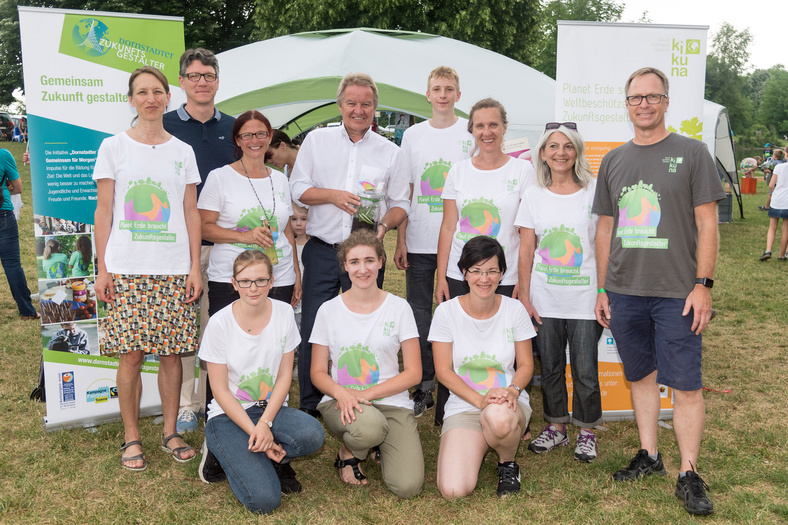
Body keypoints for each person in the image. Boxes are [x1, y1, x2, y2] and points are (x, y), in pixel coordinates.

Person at [593, 67, 725, 516]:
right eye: (635, 98)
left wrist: (703, 285)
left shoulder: (692, 153)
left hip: (678, 292)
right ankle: (650, 456)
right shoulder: (613, 160)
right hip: (626, 290)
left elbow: (708, 222)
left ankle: (689, 473)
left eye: (652, 97)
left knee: (686, 384)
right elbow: (606, 228)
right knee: (640, 376)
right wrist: (604, 287)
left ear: (666, 102)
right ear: (626, 104)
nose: (644, 104)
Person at [93, 65, 202, 472]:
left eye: (157, 91)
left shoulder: (183, 151)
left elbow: (191, 212)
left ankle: (170, 431)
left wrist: (194, 267)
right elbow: (104, 210)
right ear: (131, 99)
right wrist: (103, 268)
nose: (151, 99)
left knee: (172, 356)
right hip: (127, 269)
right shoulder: (113, 147)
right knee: (132, 357)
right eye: (142, 92)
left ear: (168, 97)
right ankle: (132, 437)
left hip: (174, 269)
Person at [289, 72, 410, 417]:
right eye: (352, 103)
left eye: (366, 104)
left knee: (366, 328)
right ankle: (311, 407)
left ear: (376, 108)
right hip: (324, 250)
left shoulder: (391, 152)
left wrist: (385, 225)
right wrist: (333, 196)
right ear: (340, 105)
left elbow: (402, 202)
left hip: (365, 257)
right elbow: (297, 188)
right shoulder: (316, 141)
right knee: (314, 328)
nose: (359, 110)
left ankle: (366, 397)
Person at [433, 97, 535, 425]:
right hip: (463, 274)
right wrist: (441, 276)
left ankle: (509, 410)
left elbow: (527, 231)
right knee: (459, 345)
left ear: (504, 128)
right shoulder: (458, 171)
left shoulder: (523, 171)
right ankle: (455, 413)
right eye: (480, 125)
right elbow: (449, 226)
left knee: (503, 349)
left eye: (493, 125)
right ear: (471, 130)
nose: (487, 132)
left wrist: (523, 279)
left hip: (502, 277)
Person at [199, 250, 324, 514]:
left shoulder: (284, 313)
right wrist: (256, 429)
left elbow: (282, 378)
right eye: (245, 281)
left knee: (313, 434)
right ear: (234, 283)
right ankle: (219, 451)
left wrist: (265, 423)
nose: (253, 288)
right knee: (264, 502)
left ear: (271, 281)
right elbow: (219, 391)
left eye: (260, 280)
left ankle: (265, 451)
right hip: (228, 415)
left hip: (270, 409)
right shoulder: (219, 324)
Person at [310, 230, 424, 498]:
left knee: (407, 487)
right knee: (369, 427)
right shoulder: (328, 310)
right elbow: (316, 372)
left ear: (381, 262)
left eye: (369, 260)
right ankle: (349, 452)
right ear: (345, 266)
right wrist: (342, 393)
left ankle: (373, 442)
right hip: (341, 401)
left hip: (390, 400)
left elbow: (414, 372)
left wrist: (364, 395)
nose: (363, 269)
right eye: (354, 262)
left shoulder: (400, 308)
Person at [515, 122, 604, 462]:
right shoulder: (534, 194)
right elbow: (526, 250)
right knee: (550, 366)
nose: (561, 153)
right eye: (553, 146)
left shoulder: (594, 191)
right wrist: (524, 295)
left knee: (584, 369)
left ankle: (586, 431)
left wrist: (603, 290)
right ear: (542, 153)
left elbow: (604, 243)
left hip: (584, 298)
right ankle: (556, 426)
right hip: (544, 297)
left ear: (578, 152)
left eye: (568, 146)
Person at [163, 48, 237, 434]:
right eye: (193, 75)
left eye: (208, 75)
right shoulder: (163, 126)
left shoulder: (236, 128)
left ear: (218, 81)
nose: (201, 82)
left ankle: (213, 401)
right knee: (182, 330)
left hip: (222, 246)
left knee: (214, 326)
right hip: (176, 246)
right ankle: (187, 406)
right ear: (182, 82)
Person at [393, 66, 473, 418]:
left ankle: (460, 387)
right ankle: (424, 386)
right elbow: (406, 191)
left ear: (459, 94)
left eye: (449, 89)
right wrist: (401, 239)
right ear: (427, 95)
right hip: (422, 243)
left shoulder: (471, 133)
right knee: (420, 319)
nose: (443, 94)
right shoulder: (412, 135)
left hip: (462, 246)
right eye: (437, 89)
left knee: (460, 319)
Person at [429, 236, 535, 498]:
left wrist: (512, 391)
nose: (484, 279)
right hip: (465, 404)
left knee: (498, 417)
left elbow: (526, 365)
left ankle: (507, 463)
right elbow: (443, 371)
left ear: (501, 274)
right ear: (464, 273)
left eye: (491, 271)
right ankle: (486, 438)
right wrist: (479, 400)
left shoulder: (515, 310)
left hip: (507, 403)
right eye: (476, 271)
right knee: (453, 490)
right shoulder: (446, 312)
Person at [199, 110, 301, 310]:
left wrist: (296, 273)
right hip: (233, 279)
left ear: (270, 136)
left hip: (279, 276)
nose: (254, 140)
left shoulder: (280, 179)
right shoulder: (220, 177)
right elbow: (203, 228)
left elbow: (287, 231)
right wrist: (245, 237)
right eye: (247, 135)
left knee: (275, 338)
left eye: (261, 134)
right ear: (237, 140)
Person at [0, 147, 38, 319]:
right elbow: (18, 188)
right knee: (12, 264)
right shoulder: (4, 155)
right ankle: (27, 311)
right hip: (3, 214)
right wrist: (6, 187)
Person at [759, 159, 788, 261]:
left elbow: (771, 185)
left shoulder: (778, 167)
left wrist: (774, 193)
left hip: (777, 199)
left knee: (772, 227)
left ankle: (768, 250)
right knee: (785, 229)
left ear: (786, 154)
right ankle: (781, 255)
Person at [290, 203, 309, 330]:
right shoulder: (288, 245)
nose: (298, 224)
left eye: (303, 219)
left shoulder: (314, 246)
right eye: (294, 219)